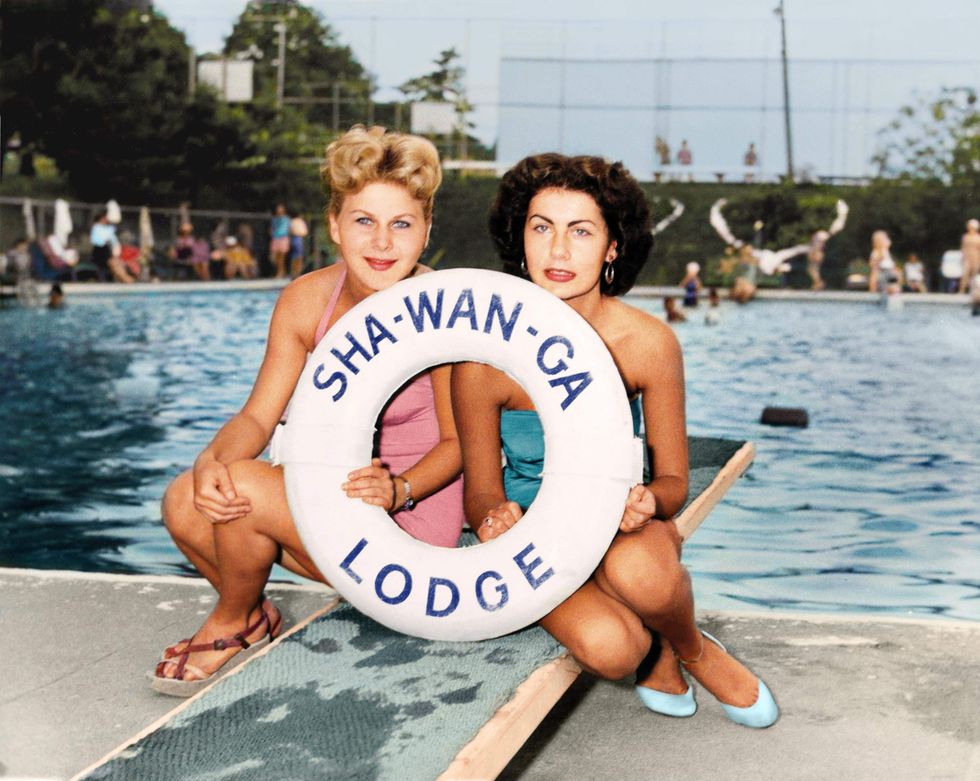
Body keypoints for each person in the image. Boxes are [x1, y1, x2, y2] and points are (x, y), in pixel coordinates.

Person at [453, 153, 778, 729]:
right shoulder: (482, 358)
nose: (558, 251)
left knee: (643, 578)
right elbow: (479, 492)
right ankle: (652, 651)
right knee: (613, 650)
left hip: (618, 523)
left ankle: (693, 647)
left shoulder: (647, 343)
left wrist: (649, 502)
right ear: (519, 238)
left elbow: (673, 482)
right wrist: (493, 518)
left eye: (581, 232)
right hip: (534, 540)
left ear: (612, 247)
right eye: (541, 228)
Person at [151, 125, 465, 695]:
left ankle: (231, 621)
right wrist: (210, 459)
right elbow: (257, 418)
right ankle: (253, 613)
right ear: (334, 226)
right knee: (186, 500)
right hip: (336, 511)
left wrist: (400, 489)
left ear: (425, 232)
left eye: (401, 224)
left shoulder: (445, 311)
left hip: (411, 528)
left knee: (245, 490)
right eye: (364, 221)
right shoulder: (307, 300)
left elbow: (460, 445)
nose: (382, 242)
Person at [89, 210, 120, 281]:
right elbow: (95, 241)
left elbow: (113, 235)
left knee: (113, 263)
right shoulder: (96, 227)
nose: (106, 220)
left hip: (109, 251)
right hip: (100, 251)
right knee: (106, 263)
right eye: (104, 219)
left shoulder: (107, 228)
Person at [868, 230, 900, 294]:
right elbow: (873, 265)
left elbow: (891, 266)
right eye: (885, 238)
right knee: (891, 288)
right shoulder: (877, 252)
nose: (888, 240)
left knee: (895, 288)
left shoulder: (886, 252)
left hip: (889, 275)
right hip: (882, 275)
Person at [958, 219, 980, 294]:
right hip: (967, 258)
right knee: (965, 275)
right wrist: (962, 258)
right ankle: (961, 291)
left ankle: (973, 291)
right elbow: (963, 248)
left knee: (974, 276)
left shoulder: (978, 238)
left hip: (976, 258)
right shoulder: (965, 237)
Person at [269, 203, 290, 278]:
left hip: (283, 238)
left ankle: (280, 273)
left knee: (282, 257)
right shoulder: (274, 219)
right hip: (275, 238)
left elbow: (288, 229)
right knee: (275, 258)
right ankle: (282, 271)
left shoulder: (286, 219)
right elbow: (272, 228)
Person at [288, 212, 310, 277]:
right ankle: (297, 273)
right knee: (299, 257)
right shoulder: (299, 221)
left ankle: (294, 273)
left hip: (294, 239)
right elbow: (305, 232)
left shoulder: (292, 221)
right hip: (298, 239)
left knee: (294, 256)